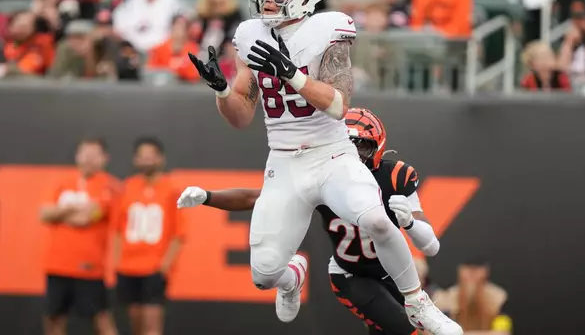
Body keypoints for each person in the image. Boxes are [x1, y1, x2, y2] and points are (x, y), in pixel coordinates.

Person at [187, 0, 461, 335]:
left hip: (330, 152)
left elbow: (339, 105)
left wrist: (291, 75)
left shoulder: (328, 30)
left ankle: (417, 302)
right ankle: (292, 277)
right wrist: (219, 90)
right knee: (264, 274)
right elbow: (241, 117)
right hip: (284, 160)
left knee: (377, 220)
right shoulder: (251, 36)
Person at [179, 108, 447, 335]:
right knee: (404, 329)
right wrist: (208, 196)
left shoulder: (396, 176)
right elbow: (255, 198)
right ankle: (292, 276)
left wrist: (410, 223)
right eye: (347, 144)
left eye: (362, 145)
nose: (354, 154)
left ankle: (417, 300)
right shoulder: (323, 175)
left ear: (378, 146)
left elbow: (431, 247)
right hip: (351, 274)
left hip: (391, 271)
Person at [39, 137, 120, 335]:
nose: (88, 159)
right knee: (53, 318)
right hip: (57, 264)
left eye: (94, 155)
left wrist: (62, 210)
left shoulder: (110, 186)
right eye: (85, 153)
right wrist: (74, 208)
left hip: (89, 267)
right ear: (77, 155)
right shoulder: (63, 182)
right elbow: (43, 214)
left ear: (104, 158)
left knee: (101, 320)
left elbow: (85, 218)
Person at [113, 137, 185, 335]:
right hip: (127, 267)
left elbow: (179, 234)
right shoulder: (126, 187)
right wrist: (117, 262)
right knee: (135, 323)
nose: (146, 160)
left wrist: (164, 266)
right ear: (135, 160)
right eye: (142, 156)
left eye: (151, 155)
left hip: (153, 267)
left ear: (160, 159)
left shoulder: (171, 190)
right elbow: (118, 229)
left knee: (152, 324)